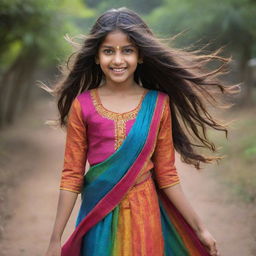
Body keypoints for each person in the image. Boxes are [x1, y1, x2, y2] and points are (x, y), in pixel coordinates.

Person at [44, 7, 236, 256]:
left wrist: (200, 229)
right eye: (108, 51)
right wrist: (55, 239)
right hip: (97, 214)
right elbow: (71, 175)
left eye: (127, 50)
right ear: (96, 56)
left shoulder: (158, 104)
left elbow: (166, 175)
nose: (117, 60)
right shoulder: (83, 105)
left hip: (145, 214)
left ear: (141, 56)